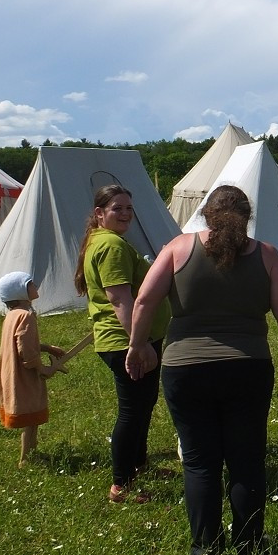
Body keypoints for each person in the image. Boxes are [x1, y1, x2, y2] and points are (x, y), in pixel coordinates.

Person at [126, 185, 278, 555]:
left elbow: (143, 300)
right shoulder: (268, 256)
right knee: (246, 461)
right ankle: (250, 550)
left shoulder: (177, 249)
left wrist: (137, 345)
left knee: (199, 462)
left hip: (184, 369)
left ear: (206, 214)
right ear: (247, 215)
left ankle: (206, 550)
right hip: (248, 367)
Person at [75, 184, 171, 504]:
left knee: (142, 406)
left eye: (129, 208)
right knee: (132, 412)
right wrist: (138, 343)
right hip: (125, 342)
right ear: (100, 213)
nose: (126, 214)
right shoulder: (112, 246)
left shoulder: (102, 240)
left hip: (128, 340)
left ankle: (138, 465)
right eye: (118, 208)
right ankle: (121, 486)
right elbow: (120, 300)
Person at [0, 272, 64, 467]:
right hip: (23, 375)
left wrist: (47, 347)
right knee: (31, 418)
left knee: (32, 418)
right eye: (30, 284)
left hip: (13, 371)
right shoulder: (25, 316)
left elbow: (22, 341)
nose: (35, 285)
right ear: (19, 291)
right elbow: (25, 349)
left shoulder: (12, 315)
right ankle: (25, 459)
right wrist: (41, 368)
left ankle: (32, 453)